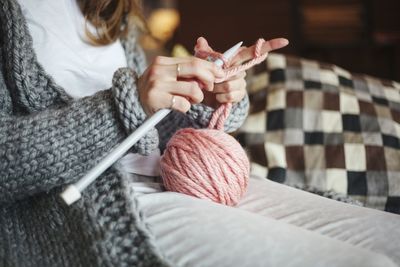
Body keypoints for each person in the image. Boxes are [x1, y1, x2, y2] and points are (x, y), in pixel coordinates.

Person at [0, 0, 399, 266]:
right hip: (82, 206)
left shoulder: (108, 11)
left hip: (177, 177)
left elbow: (149, 126)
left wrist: (201, 97)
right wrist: (126, 104)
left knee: (389, 240)